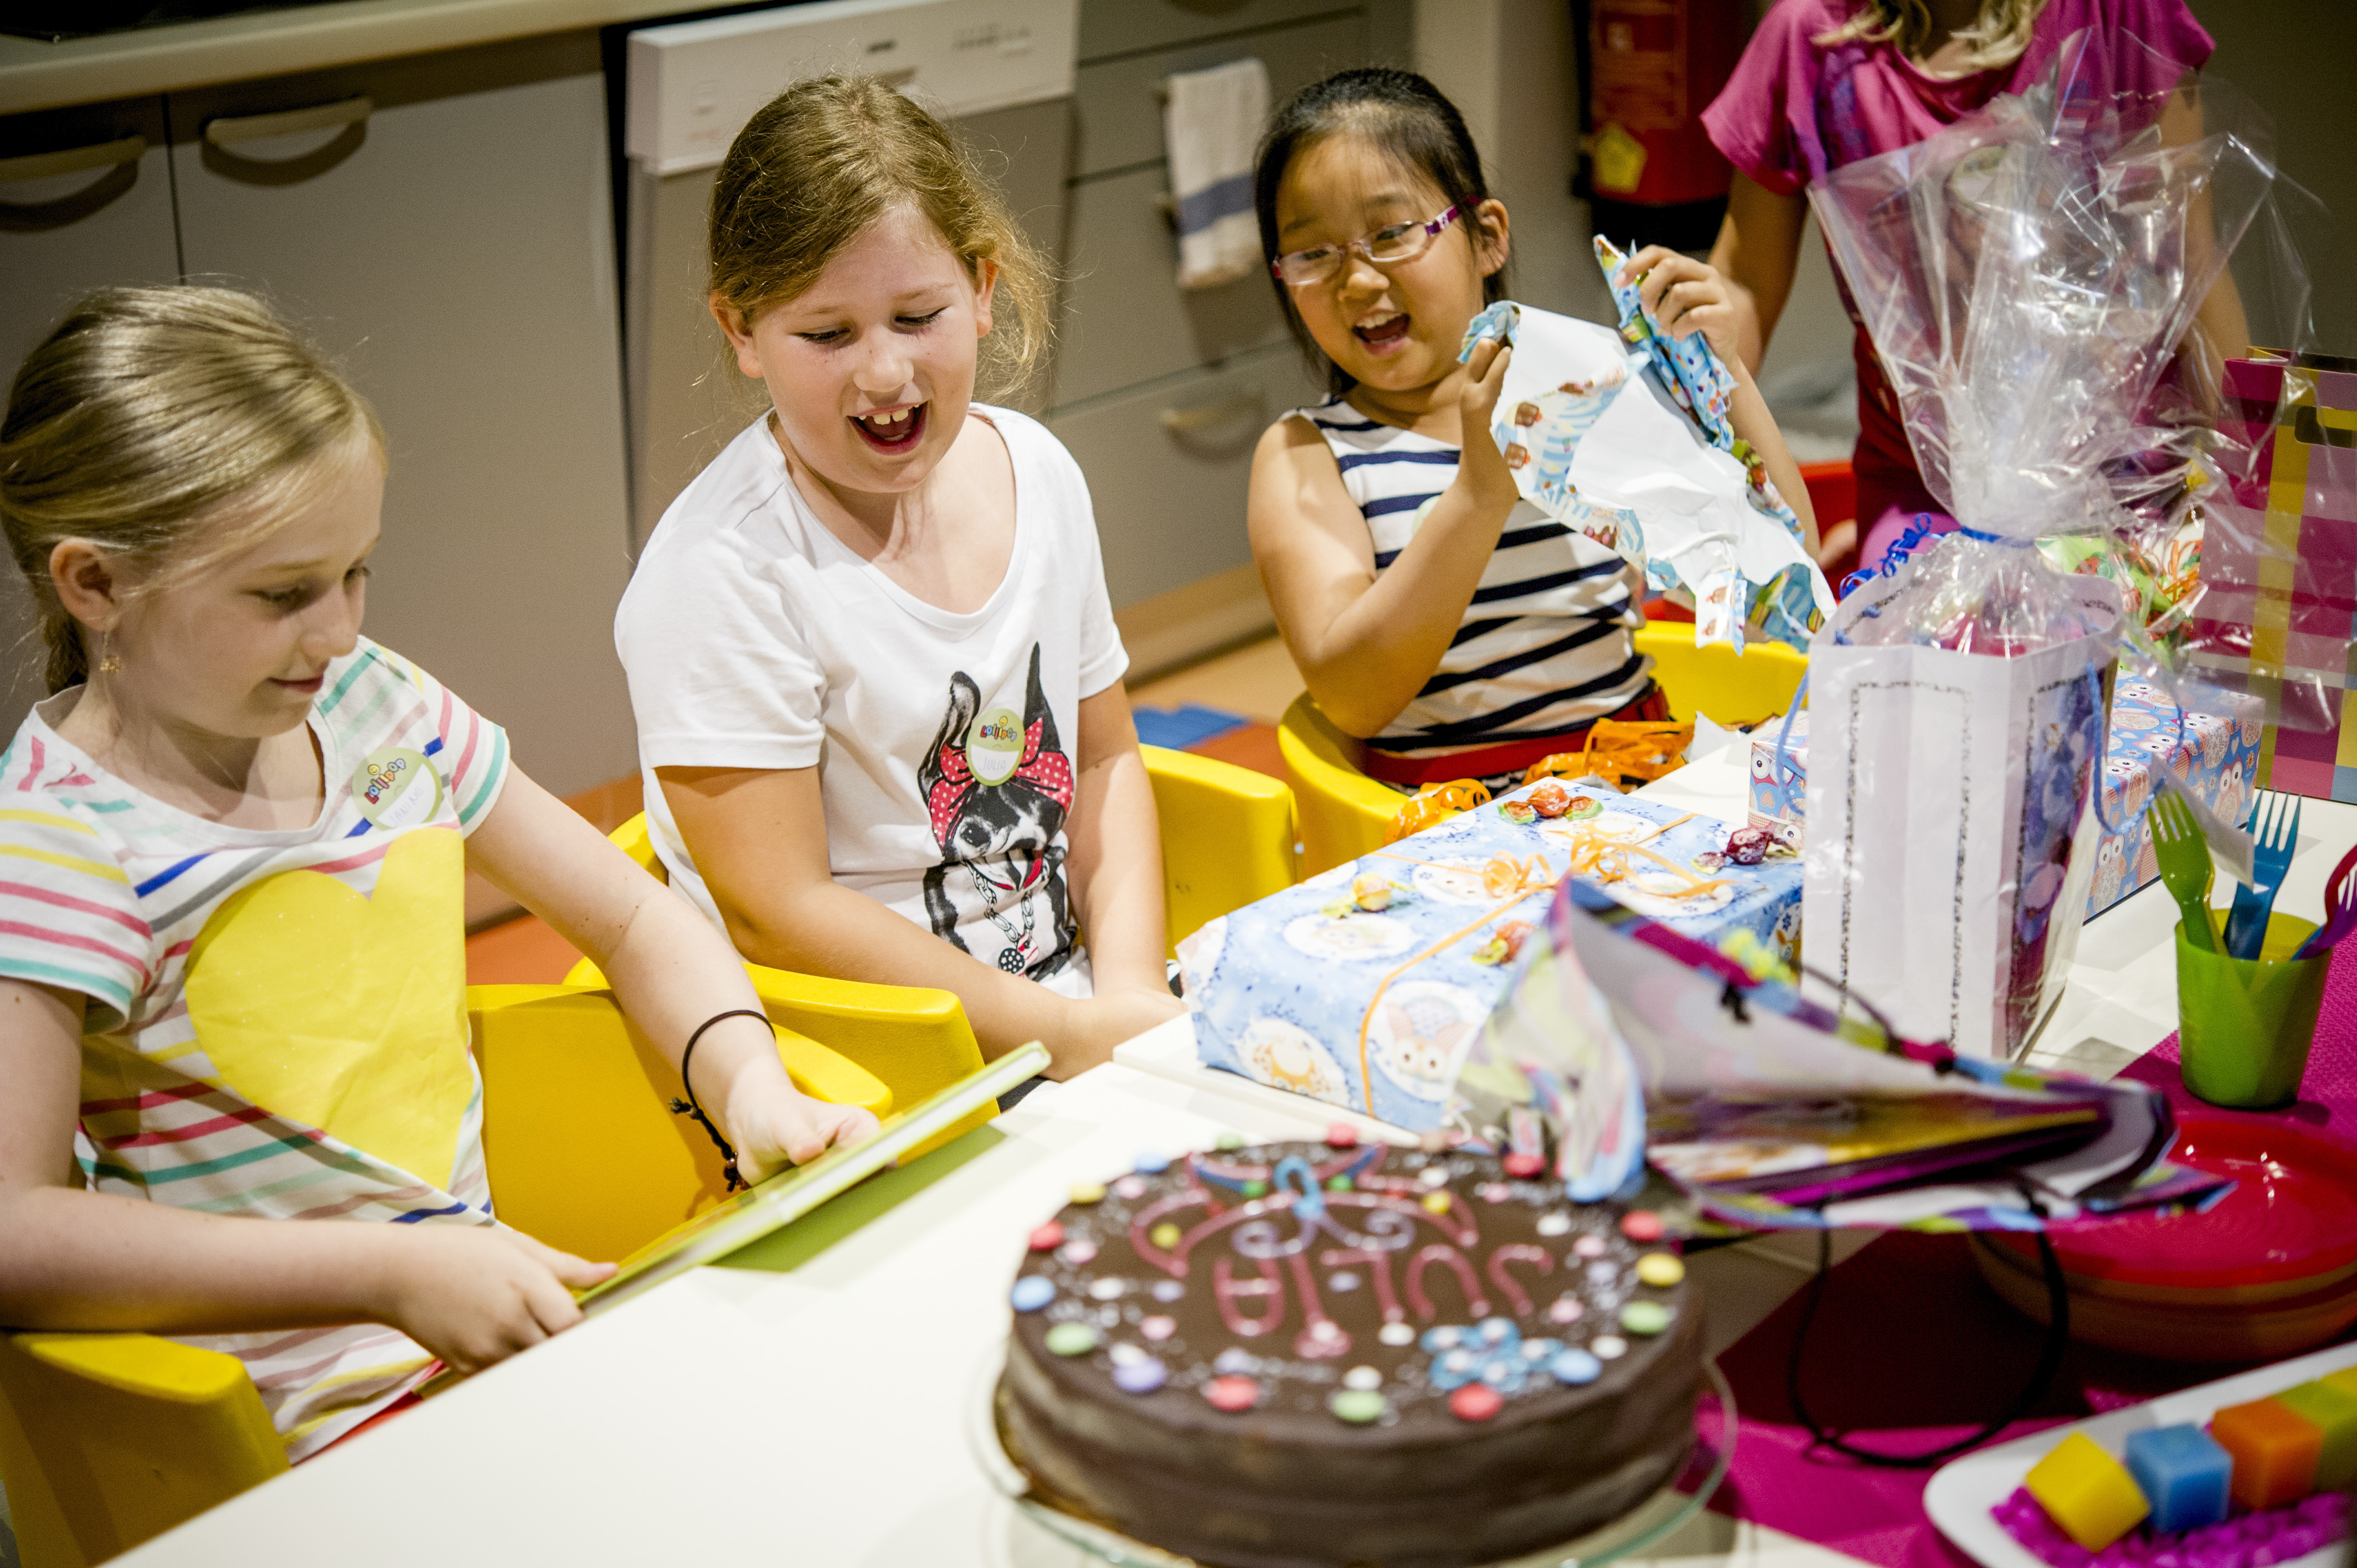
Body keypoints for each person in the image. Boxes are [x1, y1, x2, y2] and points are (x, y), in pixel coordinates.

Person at [0, 287, 877, 1460]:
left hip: (479, 1347)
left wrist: (747, 1083)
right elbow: (18, 1235)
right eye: (282, 595)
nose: (337, 631)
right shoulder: (57, 843)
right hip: (276, 1434)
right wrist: (394, 1269)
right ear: (96, 585)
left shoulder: (379, 708)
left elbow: (628, 916)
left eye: (355, 572)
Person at [615, 76, 1183, 1082]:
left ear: (982, 289)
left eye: (918, 315)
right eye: (828, 335)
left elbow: (1102, 760)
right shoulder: (721, 573)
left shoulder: (1040, 472)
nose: (883, 373)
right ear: (741, 332)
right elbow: (779, 911)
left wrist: (1127, 995)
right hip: (861, 1067)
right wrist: (1067, 1038)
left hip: (1073, 1015)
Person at [1246, 68, 1816, 793]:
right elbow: (1355, 697)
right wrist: (1479, 497)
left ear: (1487, 237)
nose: (1356, 281)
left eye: (1391, 234)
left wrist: (1724, 377)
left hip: (1641, 786)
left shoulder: (1590, 391)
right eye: (1313, 254)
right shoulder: (1307, 455)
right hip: (1449, 834)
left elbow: (1783, 584)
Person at [1701, 0, 2216, 580]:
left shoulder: (2116, 13)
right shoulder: (1813, 41)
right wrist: (1674, 464)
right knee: (1928, 661)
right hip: (1924, 496)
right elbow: (1744, 282)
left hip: (2124, 485)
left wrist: (2256, 485)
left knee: (2116, 661)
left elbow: (2191, 268)